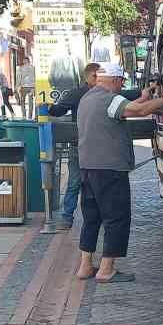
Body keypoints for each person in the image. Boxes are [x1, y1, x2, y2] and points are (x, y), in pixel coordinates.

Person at [75, 63, 163, 282]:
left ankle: (85, 266)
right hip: (110, 170)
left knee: (92, 218)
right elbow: (141, 111)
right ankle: (107, 270)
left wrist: (144, 96)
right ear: (115, 80)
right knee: (116, 217)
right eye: (121, 83)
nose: (121, 87)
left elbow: (126, 109)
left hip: (88, 169)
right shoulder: (111, 98)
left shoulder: (87, 99)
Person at [48, 63, 99, 230]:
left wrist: (51, 109)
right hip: (82, 146)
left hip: (89, 146)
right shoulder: (80, 93)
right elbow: (58, 110)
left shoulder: (82, 93)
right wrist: (50, 108)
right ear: (88, 76)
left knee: (80, 182)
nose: (98, 80)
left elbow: (58, 110)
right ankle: (68, 217)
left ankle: (71, 217)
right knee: (76, 182)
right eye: (95, 76)